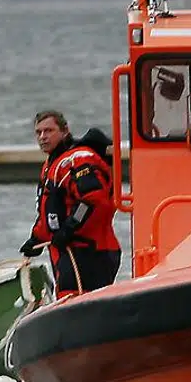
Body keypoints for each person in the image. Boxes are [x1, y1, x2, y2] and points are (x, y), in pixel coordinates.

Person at [19, 110, 122, 298]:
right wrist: (37, 239)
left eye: (48, 131)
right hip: (68, 251)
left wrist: (69, 229)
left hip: (89, 252)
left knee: (76, 301)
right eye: (38, 132)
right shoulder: (52, 165)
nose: (43, 137)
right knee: (68, 299)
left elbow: (93, 201)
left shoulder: (78, 159)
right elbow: (50, 212)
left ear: (64, 131)